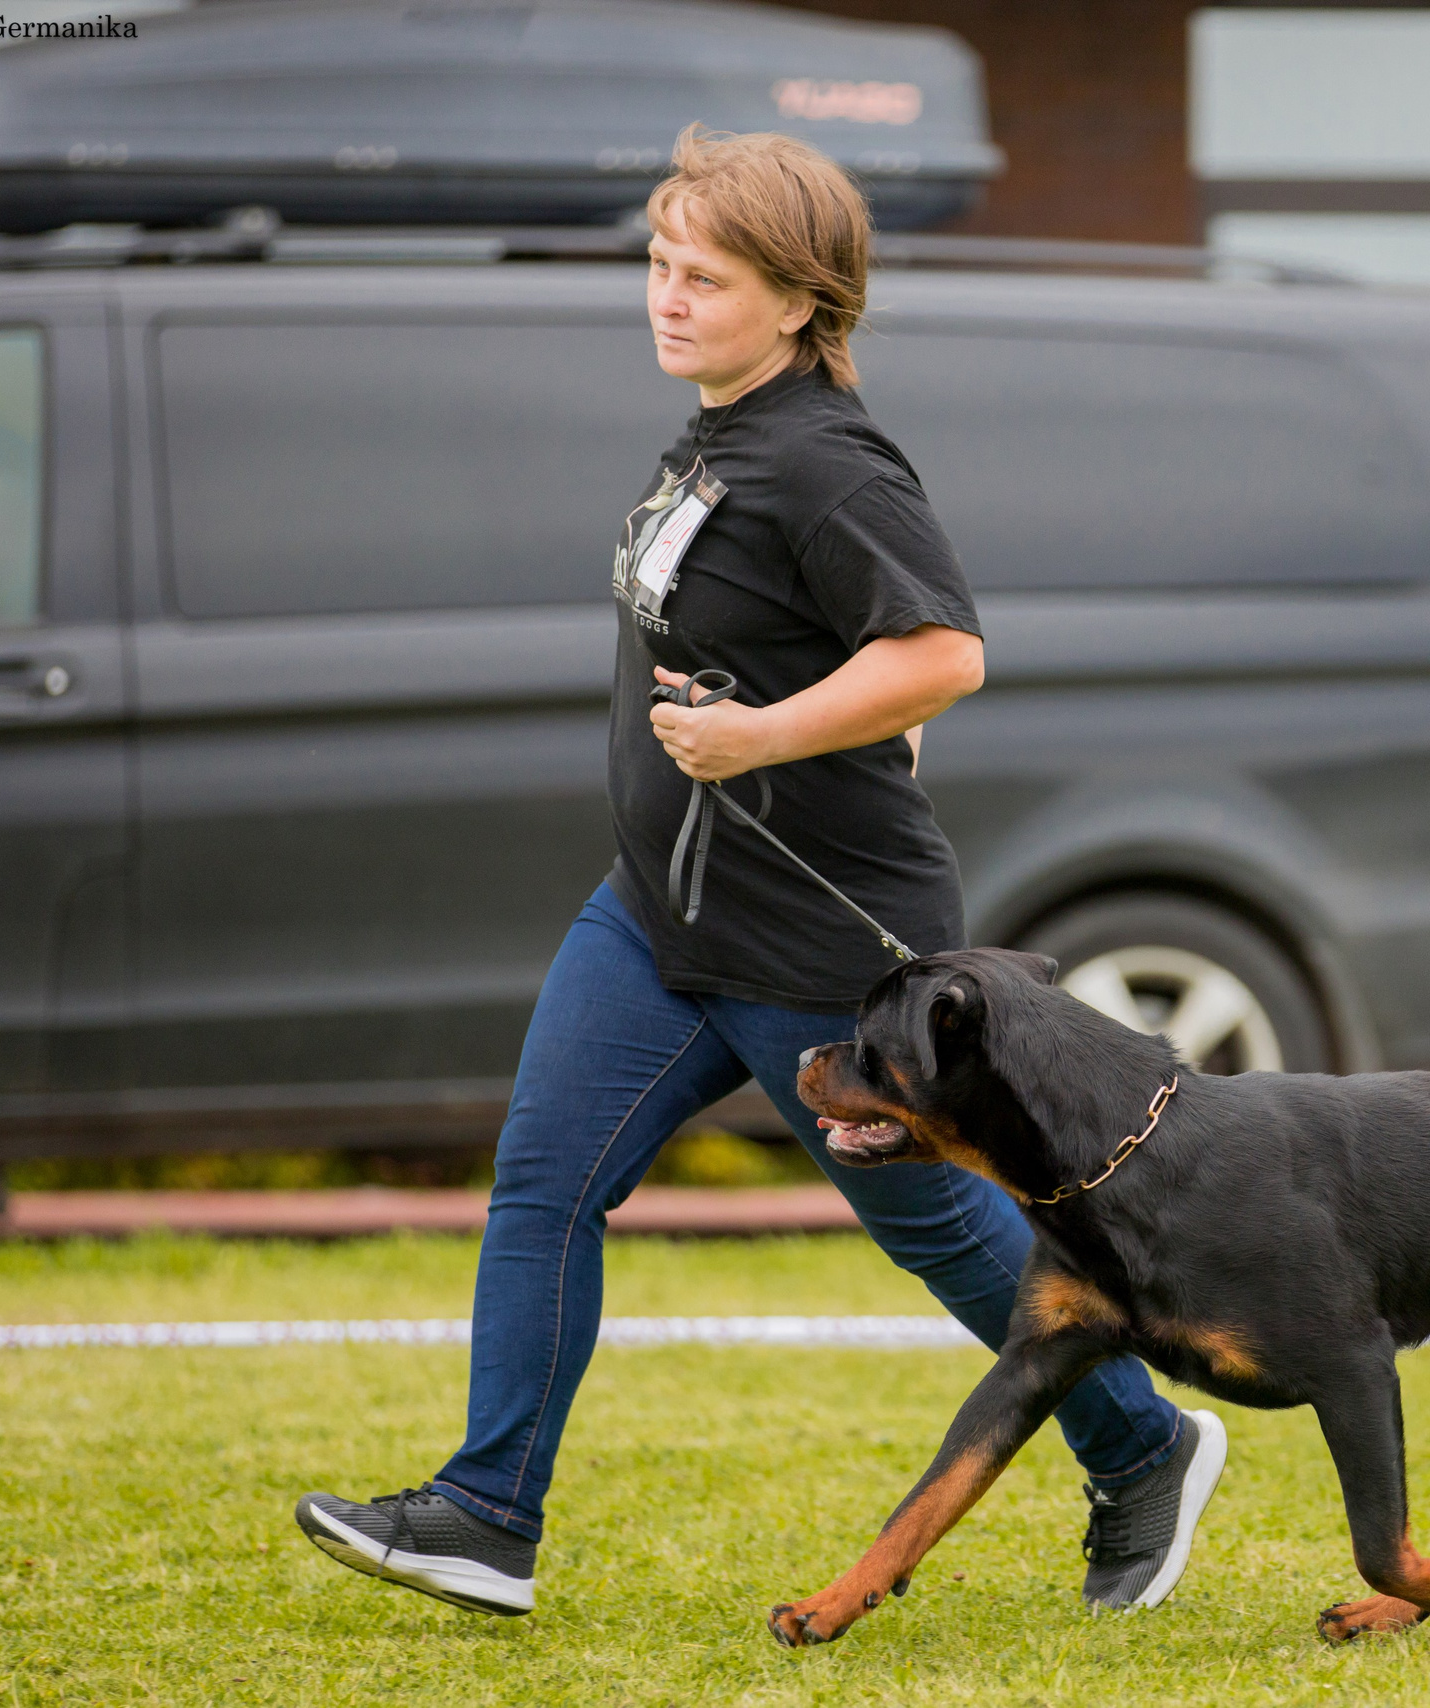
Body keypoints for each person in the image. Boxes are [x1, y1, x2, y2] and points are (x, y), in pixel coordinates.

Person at [293, 128, 1227, 1622]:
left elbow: (945, 649)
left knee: (935, 1225)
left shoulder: (826, 459)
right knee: (545, 1185)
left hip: (817, 938)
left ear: (798, 301)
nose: (666, 296)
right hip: (660, 912)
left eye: (703, 276)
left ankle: (1144, 1441)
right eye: (658, 265)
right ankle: (483, 1513)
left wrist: (771, 736)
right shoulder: (721, 428)